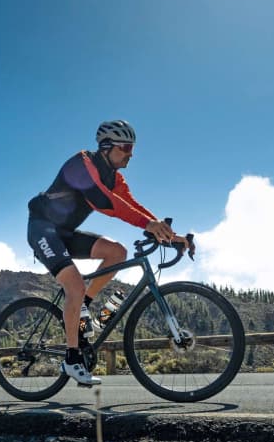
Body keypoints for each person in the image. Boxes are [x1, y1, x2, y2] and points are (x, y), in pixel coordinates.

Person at [26, 120, 188, 386]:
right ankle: (71, 359)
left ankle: (84, 307)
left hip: (65, 233)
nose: (130, 154)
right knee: (74, 287)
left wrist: (169, 234)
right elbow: (106, 202)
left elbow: (131, 205)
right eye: (125, 147)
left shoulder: (115, 178)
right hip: (42, 230)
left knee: (117, 252)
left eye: (132, 148)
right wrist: (149, 225)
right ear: (106, 147)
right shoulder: (81, 165)